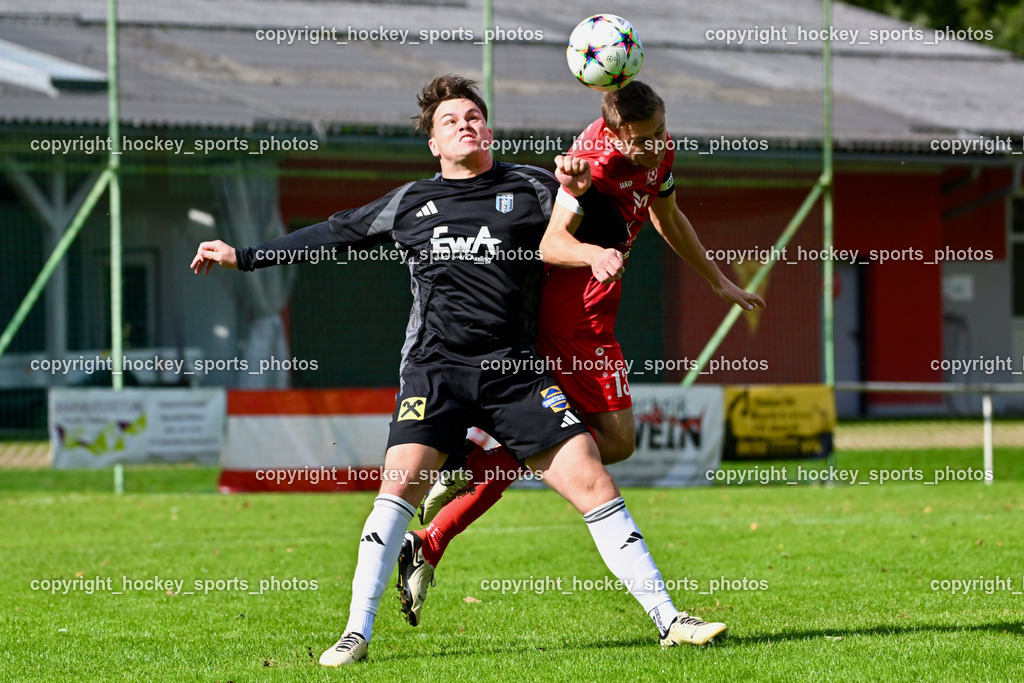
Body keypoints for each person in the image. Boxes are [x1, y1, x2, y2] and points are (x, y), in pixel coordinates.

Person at [190, 75, 726, 666]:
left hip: (514, 371)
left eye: (473, 116)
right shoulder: (412, 202)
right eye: (450, 121)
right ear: (435, 145)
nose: (464, 124)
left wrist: (577, 194)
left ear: (489, 129)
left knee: (595, 479)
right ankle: (356, 633)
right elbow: (334, 234)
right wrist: (244, 257)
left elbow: (611, 220)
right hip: (434, 371)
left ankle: (669, 619)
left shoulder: (532, 186)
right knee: (397, 491)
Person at [396, 80, 764, 636]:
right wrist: (591, 248)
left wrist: (716, 281)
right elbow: (550, 242)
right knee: (605, 443)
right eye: (638, 140)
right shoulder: (591, 157)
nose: (650, 146)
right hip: (574, 313)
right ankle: (461, 475)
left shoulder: (657, 147)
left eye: (658, 134)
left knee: (591, 444)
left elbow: (666, 213)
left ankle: (441, 517)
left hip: (599, 309)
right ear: (613, 133)